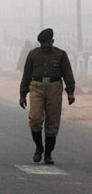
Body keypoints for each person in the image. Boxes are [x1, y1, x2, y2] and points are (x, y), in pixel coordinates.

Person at [19, 28, 76, 164]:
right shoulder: (33, 55)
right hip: (36, 86)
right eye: (44, 43)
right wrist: (22, 94)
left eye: (48, 42)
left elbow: (68, 74)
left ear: (52, 41)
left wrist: (70, 92)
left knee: (52, 122)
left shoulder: (60, 55)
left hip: (54, 87)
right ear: (40, 43)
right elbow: (26, 75)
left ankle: (48, 154)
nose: (46, 45)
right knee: (35, 118)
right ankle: (39, 147)